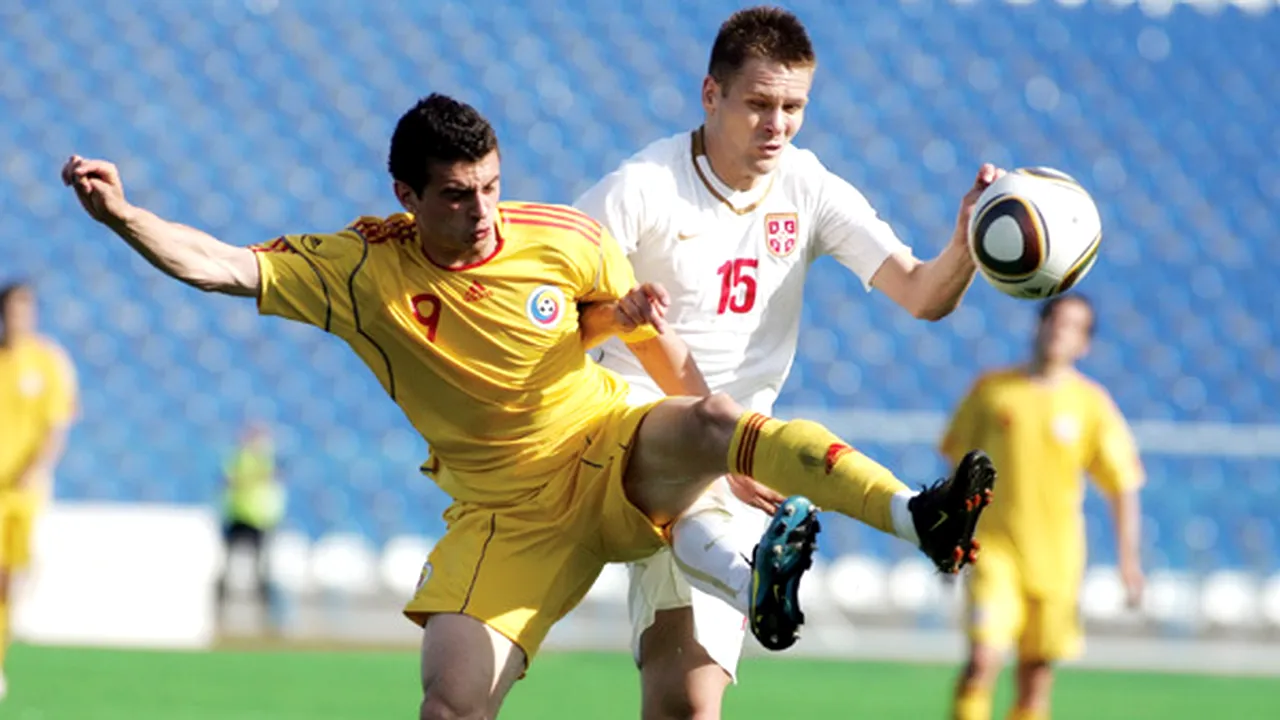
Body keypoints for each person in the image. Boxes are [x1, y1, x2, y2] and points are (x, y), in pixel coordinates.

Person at [62, 92, 993, 720]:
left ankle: (918, 516)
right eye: (460, 198)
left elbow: (647, 347)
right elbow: (220, 264)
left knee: (718, 422)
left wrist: (723, 452)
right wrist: (124, 216)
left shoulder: (563, 236)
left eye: (494, 188)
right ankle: (742, 570)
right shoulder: (356, 270)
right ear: (407, 196)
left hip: (604, 443)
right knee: (452, 702)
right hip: (506, 517)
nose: (486, 214)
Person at [574, 7, 1004, 717]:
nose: (777, 124)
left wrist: (967, 242)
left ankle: (759, 574)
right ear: (710, 95)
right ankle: (905, 519)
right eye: (758, 104)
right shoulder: (642, 187)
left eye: (793, 106)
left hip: (737, 468)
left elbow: (923, 294)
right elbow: (547, 298)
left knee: (688, 704)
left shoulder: (807, 186)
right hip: (620, 437)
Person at [943, 294, 1144, 720]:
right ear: (1038, 325)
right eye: (1054, 320)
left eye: (1073, 326)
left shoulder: (1091, 405)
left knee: (1034, 681)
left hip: (1057, 560)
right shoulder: (992, 390)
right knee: (982, 661)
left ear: (1084, 344)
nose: (1059, 330)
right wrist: (950, 531)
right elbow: (957, 463)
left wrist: (1129, 561)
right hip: (993, 551)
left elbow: (1122, 483)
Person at [0, 281, 79, 699]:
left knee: (7, 578)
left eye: (26, 310)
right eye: (13, 309)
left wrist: (37, 468)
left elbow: (56, 425)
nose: (19, 318)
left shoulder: (48, 362)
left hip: (22, 492)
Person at [215, 421, 285, 631]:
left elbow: (269, 479)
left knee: (262, 573)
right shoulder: (240, 458)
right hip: (237, 517)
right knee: (227, 569)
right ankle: (220, 616)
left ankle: (268, 620)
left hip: (259, 520)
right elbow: (228, 481)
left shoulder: (266, 459)